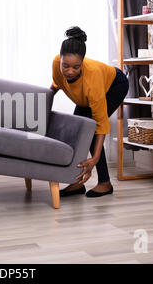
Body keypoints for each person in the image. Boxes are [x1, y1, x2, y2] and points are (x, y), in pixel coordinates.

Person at [50, 26, 128, 198]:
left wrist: (94, 159)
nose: (70, 71)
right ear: (60, 59)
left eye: (76, 67)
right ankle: (76, 183)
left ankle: (105, 183)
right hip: (85, 97)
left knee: (90, 133)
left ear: (83, 63)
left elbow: (100, 125)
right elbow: (55, 86)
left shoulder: (92, 80)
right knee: (75, 132)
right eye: (66, 66)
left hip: (114, 85)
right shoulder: (56, 63)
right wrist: (42, 106)